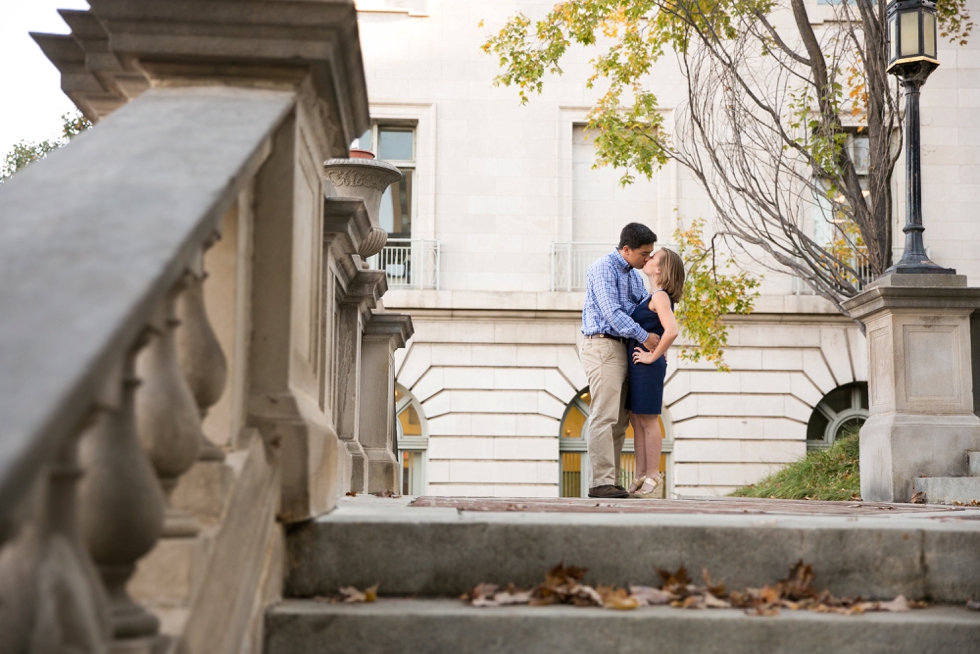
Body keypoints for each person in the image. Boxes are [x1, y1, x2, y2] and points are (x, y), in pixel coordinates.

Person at [579, 223, 661, 499]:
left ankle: (609, 482)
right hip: (602, 344)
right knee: (604, 414)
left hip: (624, 347)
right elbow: (613, 313)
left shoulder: (635, 276)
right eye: (644, 254)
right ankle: (600, 482)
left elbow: (643, 307)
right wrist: (645, 336)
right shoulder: (604, 268)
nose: (648, 259)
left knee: (620, 419)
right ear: (626, 249)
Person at [625, 248, 685, 498]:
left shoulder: (660, 295)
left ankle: (653, 475)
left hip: (647, 366)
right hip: (640, 365)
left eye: (653, 257)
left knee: (648, 420)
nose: (647, 259)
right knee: (636, 419)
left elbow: (671, 330)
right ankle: (640, 474)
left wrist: (653, 354)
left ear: (660, 269)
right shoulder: (651, 295)